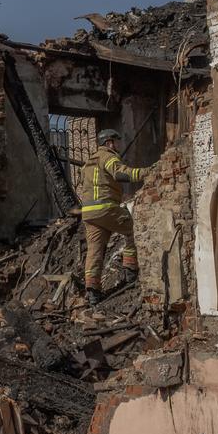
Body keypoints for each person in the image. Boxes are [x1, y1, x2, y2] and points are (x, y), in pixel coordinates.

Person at [81, 128, 147, 305]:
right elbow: (121, 173)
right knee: (133, 229)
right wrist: (146, 172)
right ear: (109, 142)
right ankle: (130, 271)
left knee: (94, 250)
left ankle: (93, 291)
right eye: (117, 141)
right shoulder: (108, 156)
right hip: (106, 208)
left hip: (88, 213)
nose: (119, 145)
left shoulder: (88, 162)